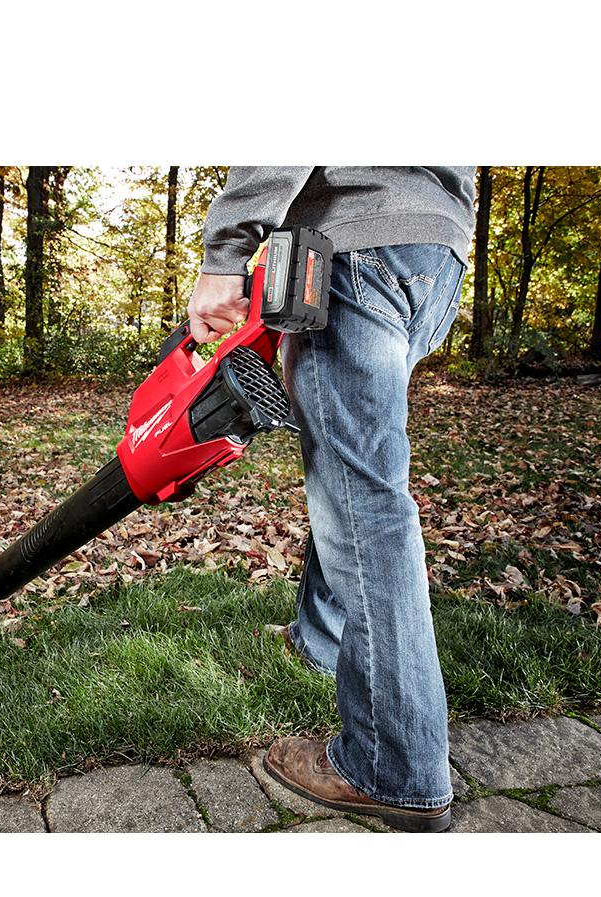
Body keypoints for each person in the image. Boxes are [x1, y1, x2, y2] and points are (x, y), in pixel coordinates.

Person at [187, 167, 476, 832]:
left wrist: (226, 253)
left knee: (367, 502)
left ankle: (393, 769)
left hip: (352, 246)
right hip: (436, 252)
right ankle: (322, 640)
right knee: (351, 474)